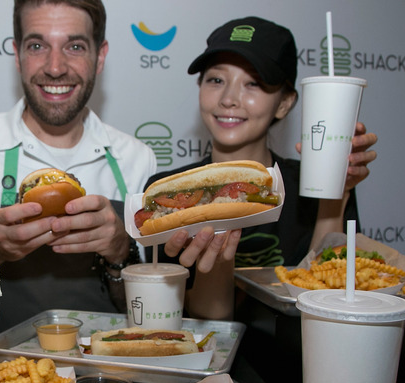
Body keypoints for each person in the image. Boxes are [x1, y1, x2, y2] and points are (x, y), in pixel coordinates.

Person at [0, 0, 156, 356]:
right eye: (37, 46)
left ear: (100, 56)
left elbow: (152, 317)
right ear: (17, 54)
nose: (55, 67)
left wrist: (120, 250)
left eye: (75, 46)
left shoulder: (136, 159)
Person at [144, 17, 377, 320]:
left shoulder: (314, 185)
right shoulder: (169, 193)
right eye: (216, 80)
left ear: (284, 103)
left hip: (297, 357)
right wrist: (216, 245)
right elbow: (208, 320)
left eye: (253, 83)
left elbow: (328, 301)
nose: (229, 99)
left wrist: (337, 192)